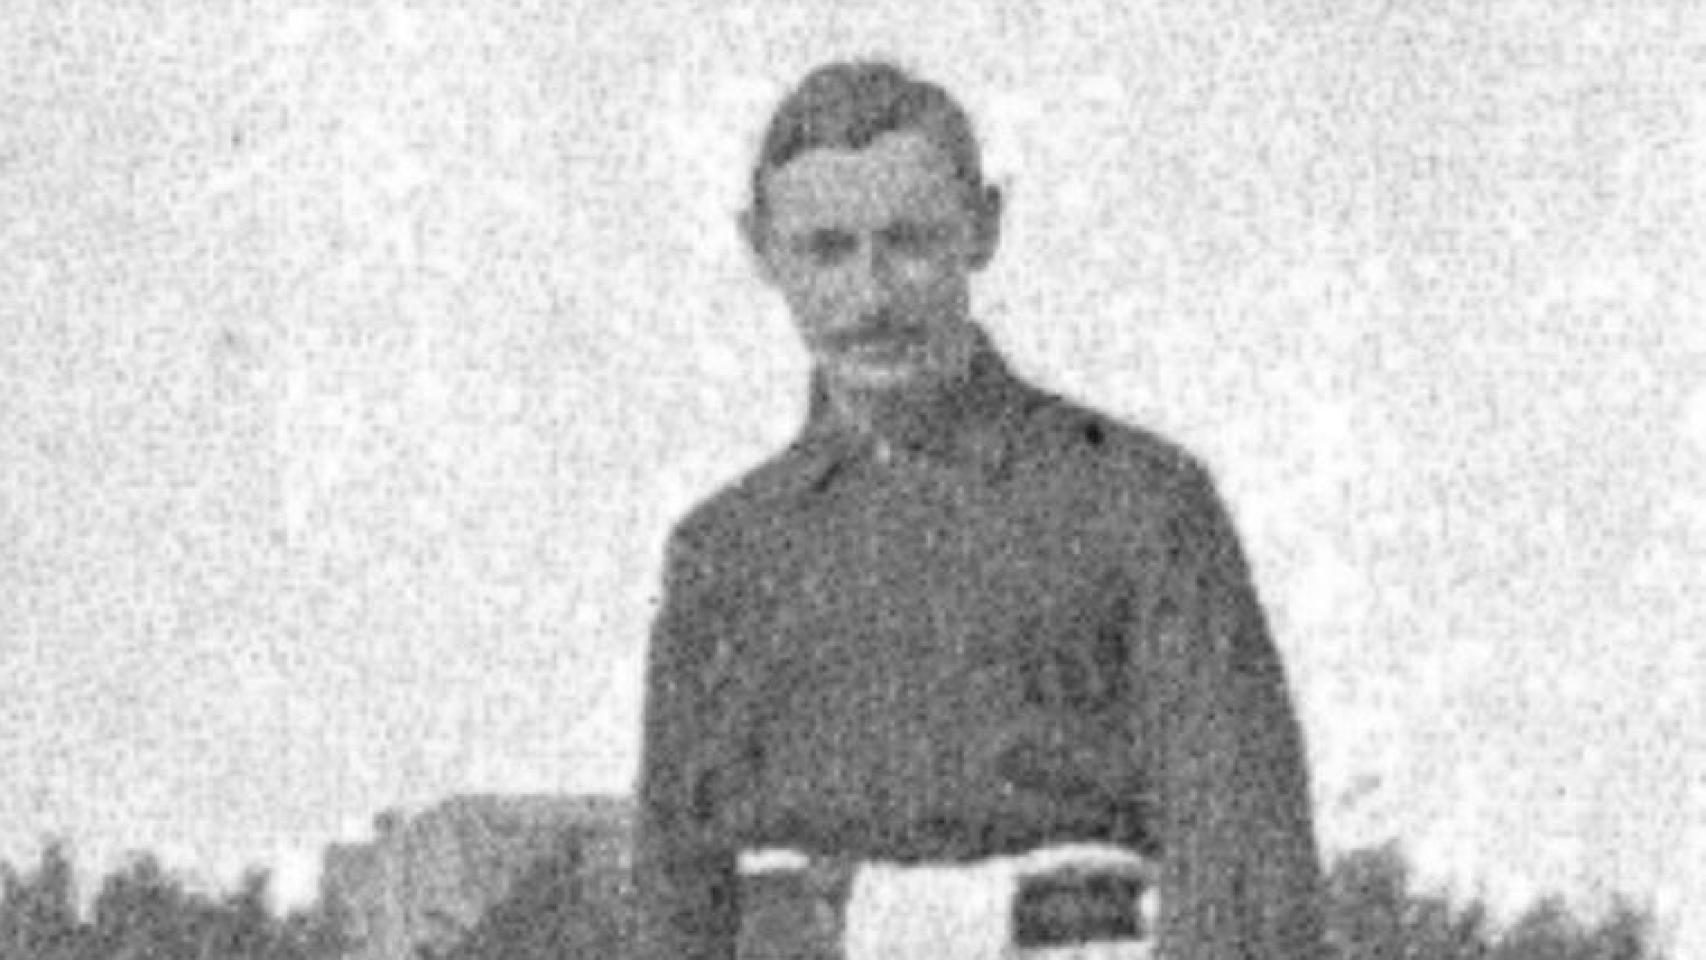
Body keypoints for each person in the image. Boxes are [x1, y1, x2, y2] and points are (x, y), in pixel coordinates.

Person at [634, 59, 1326, 960]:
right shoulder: (722, 551)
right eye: (826, 250)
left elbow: (1246, 872)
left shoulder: (1140, 501)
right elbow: (674, 898)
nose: (871, 297)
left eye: (911, 242)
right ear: (760, 250)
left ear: (984, 226)